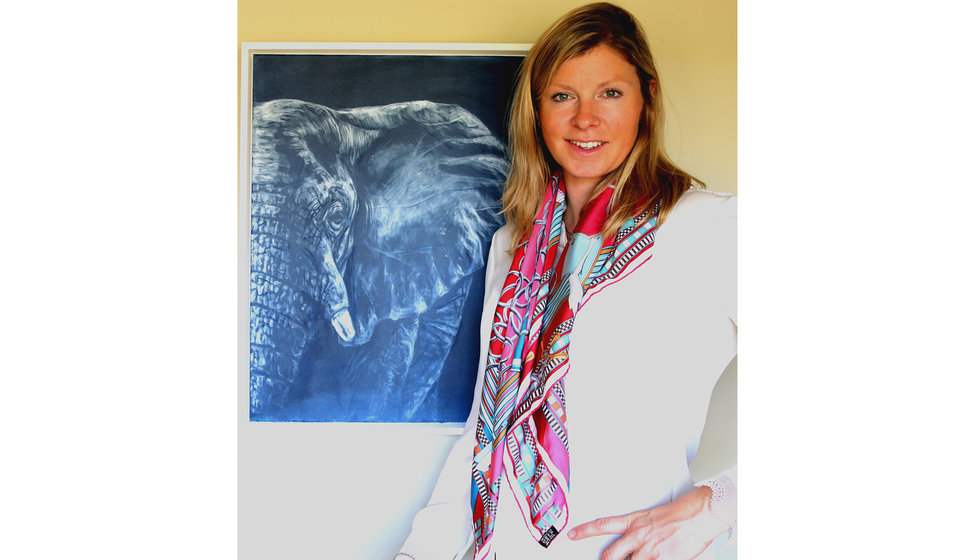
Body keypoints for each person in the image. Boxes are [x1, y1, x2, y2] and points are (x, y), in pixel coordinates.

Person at [396, 3, 736, 559]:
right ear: (537, 110)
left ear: (646, 100)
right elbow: (488, 427)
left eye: (610, 93)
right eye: (562, 96)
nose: (585, 119)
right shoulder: (515, 243)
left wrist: (715, 506)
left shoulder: (704, 226)